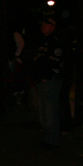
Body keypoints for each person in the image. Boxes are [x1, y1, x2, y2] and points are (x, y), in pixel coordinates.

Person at [32, 15, 65, 149]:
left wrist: (48, 76)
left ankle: (52, 140)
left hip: (50, 80)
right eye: (43, 24)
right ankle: (47, 138)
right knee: (43, 111)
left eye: (47, 24)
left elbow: (57, 62)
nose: (43, 26)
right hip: (41, 79)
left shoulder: (56, 41)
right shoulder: (43, 40)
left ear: (53, 26)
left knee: (50, 111)